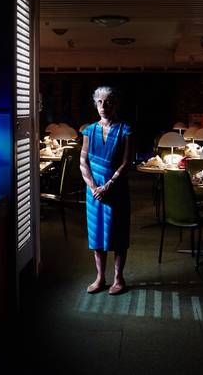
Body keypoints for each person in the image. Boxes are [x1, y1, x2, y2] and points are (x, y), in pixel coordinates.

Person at [79, 86, 133, 295]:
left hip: (116, 188)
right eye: (100, 102)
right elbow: (83, 161)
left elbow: (127, 162)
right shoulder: (88, 131)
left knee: (118, 233)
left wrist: (108, 185)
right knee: (97, 233)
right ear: (96, 104)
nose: (104, 106)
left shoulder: (125, 129)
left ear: (116, 104)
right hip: (94, 191)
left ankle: (119, 278)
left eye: (108, 101)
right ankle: (100, 277)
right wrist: (94, 187)